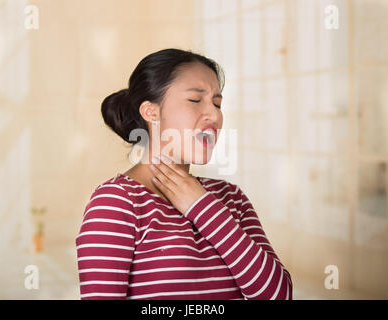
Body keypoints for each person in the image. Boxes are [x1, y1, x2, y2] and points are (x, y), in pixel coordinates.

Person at [75, 48, 293, 300]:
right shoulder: (116, 203)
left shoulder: (231, 198)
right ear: (151, 112)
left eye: (217, 103)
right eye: (195, 100)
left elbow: (279, 296)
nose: (214, 115)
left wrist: (202, 207)